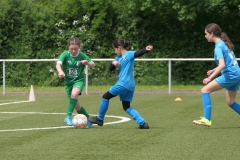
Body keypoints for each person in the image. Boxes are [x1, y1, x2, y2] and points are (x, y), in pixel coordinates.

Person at [88, 39, 153, 129]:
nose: (114, 51)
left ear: (119, 48)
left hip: (123, 84)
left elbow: (138, 53)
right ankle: (143, 123)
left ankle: (100, 119)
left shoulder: (129, 54)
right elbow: (110, 69)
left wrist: (145, 49)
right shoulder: (118, 58)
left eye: (114, 49)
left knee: (105, 96)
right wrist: (113, 64)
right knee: (126, 106)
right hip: (130, 85)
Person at [193, 23, 240, 127]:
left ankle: (207, 119)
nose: (205, 36)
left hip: (230, 75)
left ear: (212, 33)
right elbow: (227, 63)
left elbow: (222, 65)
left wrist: (209, 78)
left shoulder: (218, 46)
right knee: (230, 102)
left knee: (204, 90)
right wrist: (213, 69)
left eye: (206, 34)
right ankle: (206, 118)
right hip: (236, 74)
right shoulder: (223, 43)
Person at [56, 37, 95, 128]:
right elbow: (58, 64)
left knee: (74, 94)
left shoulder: (82, 55)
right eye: (71, 49)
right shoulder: (65, 54)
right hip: (68, 83)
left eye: (75, 49)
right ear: (68, 47)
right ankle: (89, 120)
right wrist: (60, 71)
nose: (73, 51)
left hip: (78, 81)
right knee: (77, 106)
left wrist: (88, 63)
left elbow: (93, 64)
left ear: (79, 47)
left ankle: (67, 117)